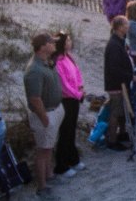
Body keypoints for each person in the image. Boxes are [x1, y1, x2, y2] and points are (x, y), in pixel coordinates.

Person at [24, 33, 63, 196]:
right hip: (45, 114)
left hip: (54, 110)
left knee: (49, 146)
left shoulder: (45, 62)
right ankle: (42, 186)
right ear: (42, 47)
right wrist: (45, 119)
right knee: (43, 150)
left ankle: (49, 175)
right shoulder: (34, 69)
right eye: (51, 42)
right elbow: (34, 99)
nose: (54, 44)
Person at [53, 32, 85, 177]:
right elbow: (64, 85)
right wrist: (77, 94)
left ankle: (73, 159)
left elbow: (77, 74)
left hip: (75, 98)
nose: (70, 42)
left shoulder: (68, 57)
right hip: (66, 100)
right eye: (68, 40)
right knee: (65, 131)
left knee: (71, 130)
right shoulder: (58, 61)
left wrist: (80, 88)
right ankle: (61, 165)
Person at [103, 16, 133, 152]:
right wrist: (130, 76)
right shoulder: (114, 45)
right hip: (116, 84)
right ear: (120, 27)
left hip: (121, 83)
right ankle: (112, 140)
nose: (128, 26)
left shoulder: (119, 41)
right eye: (126, 24)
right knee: (115, 112)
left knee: (121, 110)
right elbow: (115, 68)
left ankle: (122, 133)